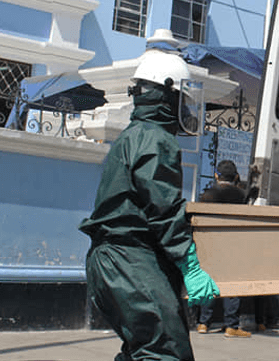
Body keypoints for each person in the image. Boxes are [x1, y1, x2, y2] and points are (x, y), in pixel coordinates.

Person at [79, 47, 219, 361]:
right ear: (168, 95)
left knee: (140, 350)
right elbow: (163, 208)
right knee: (166, 352)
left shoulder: (132, 135)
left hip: (112, 262)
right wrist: (190, 264)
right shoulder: (155, 139)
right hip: (129, 260)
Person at [195, 160, 251, 338]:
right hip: (233, 243)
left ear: (216, 176)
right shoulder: (241, 195)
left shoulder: (207, 194)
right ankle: (231, 326)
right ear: (235, 177)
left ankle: (203, 323)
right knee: (232, 284)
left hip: (211, 243)